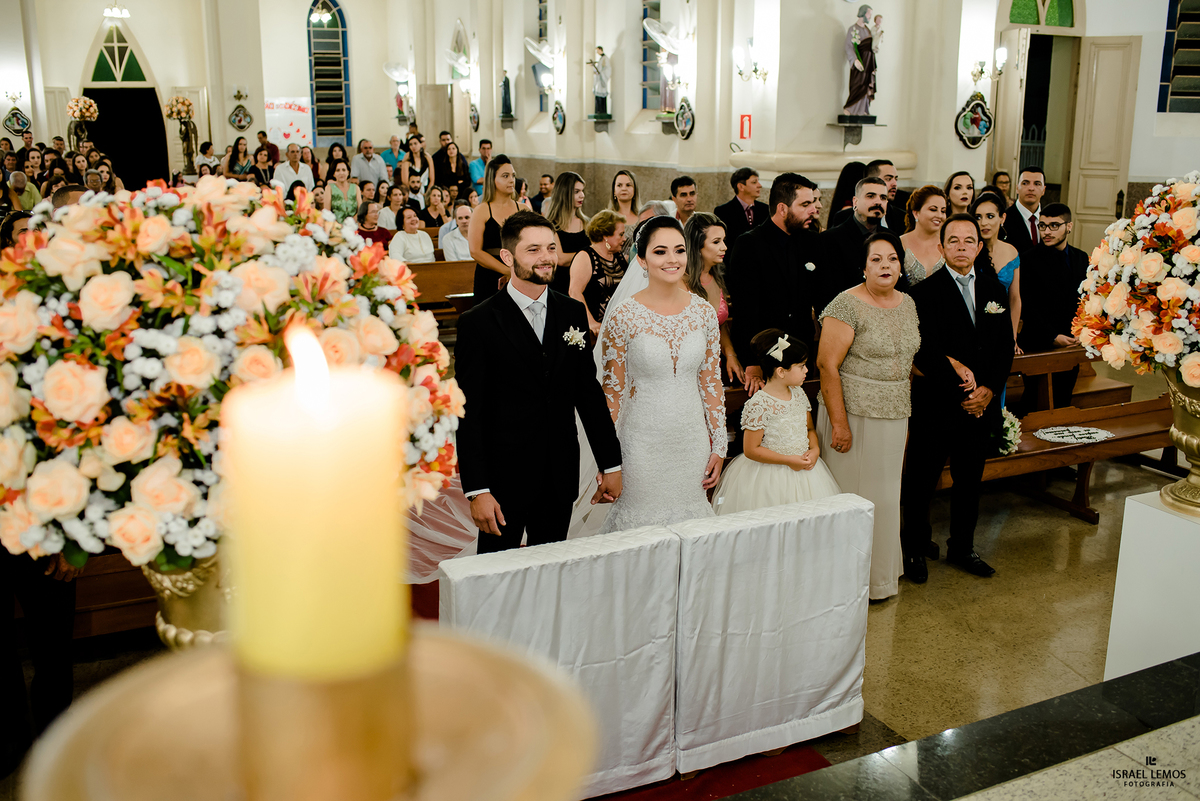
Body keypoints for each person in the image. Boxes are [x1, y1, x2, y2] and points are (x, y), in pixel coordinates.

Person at [456, 211, 622, 553]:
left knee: (551, 571)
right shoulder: (478, 322)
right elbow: (469, 412)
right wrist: (477, 490)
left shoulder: (571, 312)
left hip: (559, 473)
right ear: (508, 256)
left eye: (550, 247)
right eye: (533, 250)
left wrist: (611, 464)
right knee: (495, 573)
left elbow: (588, 395)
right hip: (503, 479)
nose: (546, 257)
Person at [902, 214, 1014, 582]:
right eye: (953, 240)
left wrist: (989, 391)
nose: (961, 247)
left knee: (969, 482)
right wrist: (962, 392)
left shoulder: (995, 290)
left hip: (979, 408)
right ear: (941, 247)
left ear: (979, 247)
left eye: (969, 240)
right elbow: (924, 352)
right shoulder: (923, 293)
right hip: (936, 405)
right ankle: (915, 548)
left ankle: (963, 547)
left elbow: (1004, 347)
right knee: (921, 482)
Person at [597, 215, 725, 533]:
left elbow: (711, 381)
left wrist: (719, 444)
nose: (672, 259)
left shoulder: (703, 312)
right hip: (641, 442)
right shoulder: (624, 316)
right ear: (641, 260)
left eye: (679, 250)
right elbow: (612, 392)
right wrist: (608, 459)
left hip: (691, 440)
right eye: (660, 251)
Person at [816, 231, 920, 600]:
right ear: (863, 267)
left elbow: (908, 357)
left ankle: (879, 580)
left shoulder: (908, 303)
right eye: (876, 259)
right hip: (854, 414)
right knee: (853, 499)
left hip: (895, 412)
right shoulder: (845, 304)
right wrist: (839, 424)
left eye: (892, 258)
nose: (885, 266)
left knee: (887, 499)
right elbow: (827, 365)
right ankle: (845, 584)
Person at [714, 330, 840, 516]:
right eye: (801, 366)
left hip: (806, 472)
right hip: (771, 477)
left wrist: (815, 450)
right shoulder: (759, 404)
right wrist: (789, 460)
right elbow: (751, 449)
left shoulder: (799, 394)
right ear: (781, 371)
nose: (807, 370)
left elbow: (810, 429)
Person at [726, 173, 821, 393]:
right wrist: (753, 362)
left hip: (802, 356)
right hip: (764, 358)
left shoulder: (812, 241)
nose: (813, 210)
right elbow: (745, 311)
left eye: (813, 203)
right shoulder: (749, 244)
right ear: (782, 208)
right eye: (805, 204)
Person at [1017, 202, 1087, 409]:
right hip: (1039, 341)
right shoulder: (1028, 259)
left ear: (1069, 226)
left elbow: (1085, 300)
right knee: (1035, 402)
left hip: (1072, 341)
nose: (1047, 232)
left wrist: (1081, 332)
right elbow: (1027, 304)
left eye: (1054, 226)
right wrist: (1053, 336)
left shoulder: (1081, 258)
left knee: (1064, 400)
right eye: (1043, 226)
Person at [817, 176, 900, 312]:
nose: (878, 202)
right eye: (871, 196)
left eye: (883, 198)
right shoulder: (830, 239)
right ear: (855, 202)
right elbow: (825, 292)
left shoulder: (892, 238)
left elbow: (899, 284)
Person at [685, 212, 745, 386]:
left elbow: (720, 324)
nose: (725, 247)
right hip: (687, 370)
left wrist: (731, 354)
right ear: (697, 245)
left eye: (724, 240)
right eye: (716, 242)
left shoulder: (717, 278)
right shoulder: (680, 283)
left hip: (713, 366)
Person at [972, 192, 1022, 353]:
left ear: (1002, 218)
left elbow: (1015, 298)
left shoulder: (1011, 252)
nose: (983, 223)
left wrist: (1012, 337)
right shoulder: (969, 251)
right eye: (978, 217)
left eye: (990, 216)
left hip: (1002, 324)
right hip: (973, 325)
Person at [565, 209, 626, 336]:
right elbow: (574, 292)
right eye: (621, 234)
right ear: (606, 236)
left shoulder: (618, 256)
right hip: (594, 330)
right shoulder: (585, 256)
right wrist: (591, 322)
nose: (624, 239)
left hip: (618, 326)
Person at [468, 154, 520, 303]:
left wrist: (516, 272)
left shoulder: (523, 209)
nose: (511, 180)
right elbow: (475, 251)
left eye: (513, 175)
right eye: (505, 176)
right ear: (492, 179)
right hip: (489, 275)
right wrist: (506, 271)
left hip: (518, 273)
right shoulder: (482, 210)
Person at [829, 159, 906, 231]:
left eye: (896, 179)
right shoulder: (845, 216)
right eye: (888, 179)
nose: (894, 184)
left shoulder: (902, 216)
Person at [899, 185, 948, 285]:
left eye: (943, 211)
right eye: (933, 209)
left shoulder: (948, 244)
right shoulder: (899, 243)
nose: (939, 215)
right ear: (916, 213)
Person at [714, 167, 769, 245]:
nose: (759, 185)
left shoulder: (765, 209)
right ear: (741, 186)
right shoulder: (723, 211)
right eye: (754, 182)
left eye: (758, 182)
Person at [546, 172, 590, 264]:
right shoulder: (551, 225)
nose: (582, 195)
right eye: (576, 192)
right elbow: (561, 260)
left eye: (582, 191)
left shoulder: (587, 222)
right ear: (564, 194)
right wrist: (589, 254)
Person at [843, 4, 877, 116]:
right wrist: (855, 60)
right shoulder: (853, 29)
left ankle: (863, 110)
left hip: (868, 64)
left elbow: (872, 47)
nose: (870, 17)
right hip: (859, 64)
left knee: (866, 86)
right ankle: (851, 108)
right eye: (869, 14)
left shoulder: (868, 31)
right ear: (863, 13)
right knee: (857, 85)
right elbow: (848, 47)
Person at [1003, 166, 1046, 252]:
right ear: (1017, 188)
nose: (1031, 188)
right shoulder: (1004, 219)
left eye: (1037, 184)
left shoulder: (1050, 218)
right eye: (1025, 183)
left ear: (1043, 190)